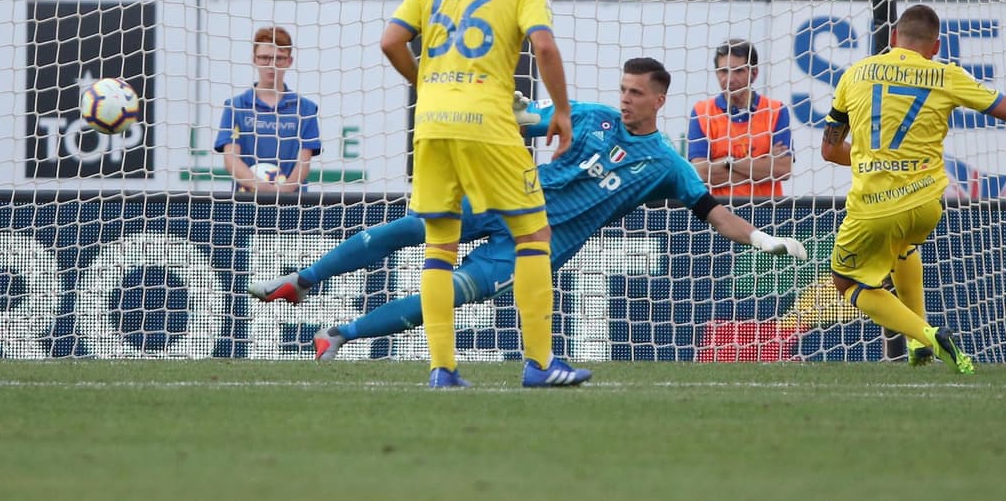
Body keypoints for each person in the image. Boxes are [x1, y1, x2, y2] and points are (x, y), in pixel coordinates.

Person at [248, 57, 808, 361]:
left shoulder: (667, 164)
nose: (625, 98)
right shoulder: (589, 116)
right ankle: (302, 280)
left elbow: (713, 211)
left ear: (659, 100)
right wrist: (516, 110)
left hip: (539, 245)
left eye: (636, 92)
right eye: (623, 89)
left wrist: (764, 240)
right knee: (409, 227)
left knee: (450, 294)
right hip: (505, 198)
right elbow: (528, 119)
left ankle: (340, 334)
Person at [380, 0, 579, 388]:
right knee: (533, 235)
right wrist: (561, 110)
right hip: (487, 121)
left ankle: (442, 370)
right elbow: (544, 45)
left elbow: (390, 41)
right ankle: (539, 364)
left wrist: (426, 84)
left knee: (439, 244)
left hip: (431, 123)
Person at [820, 4, 1006, 374]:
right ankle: (918, 346)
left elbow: (829, 150)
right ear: (935, 47)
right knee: (902, 245)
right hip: (926, 205)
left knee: (846, 282)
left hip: (873, 206)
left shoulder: (854, 74)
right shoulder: (946, 75)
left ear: (893, 38)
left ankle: (928, 335)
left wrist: (872, 159)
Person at [214, 26, 321, 194]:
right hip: (246, 203)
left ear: (289, 61)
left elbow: (304, 164)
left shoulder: (305, 109)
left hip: (292, 203)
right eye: (265, 58)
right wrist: (261, 187)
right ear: (254, 59)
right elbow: (231, 159)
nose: (271, 65)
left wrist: (281, 192)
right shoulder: (236, 106)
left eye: (279, 58)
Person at [688, 39, 794, 198]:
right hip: (718, 209)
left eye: (738, 71)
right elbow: (701, 173)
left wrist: (728, 162)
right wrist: (762, 165)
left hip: (766, 209)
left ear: (754, 73)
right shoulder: (702, 112)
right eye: (723, 71)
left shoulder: (776, 110)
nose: (730, 79)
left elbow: (782, 169)